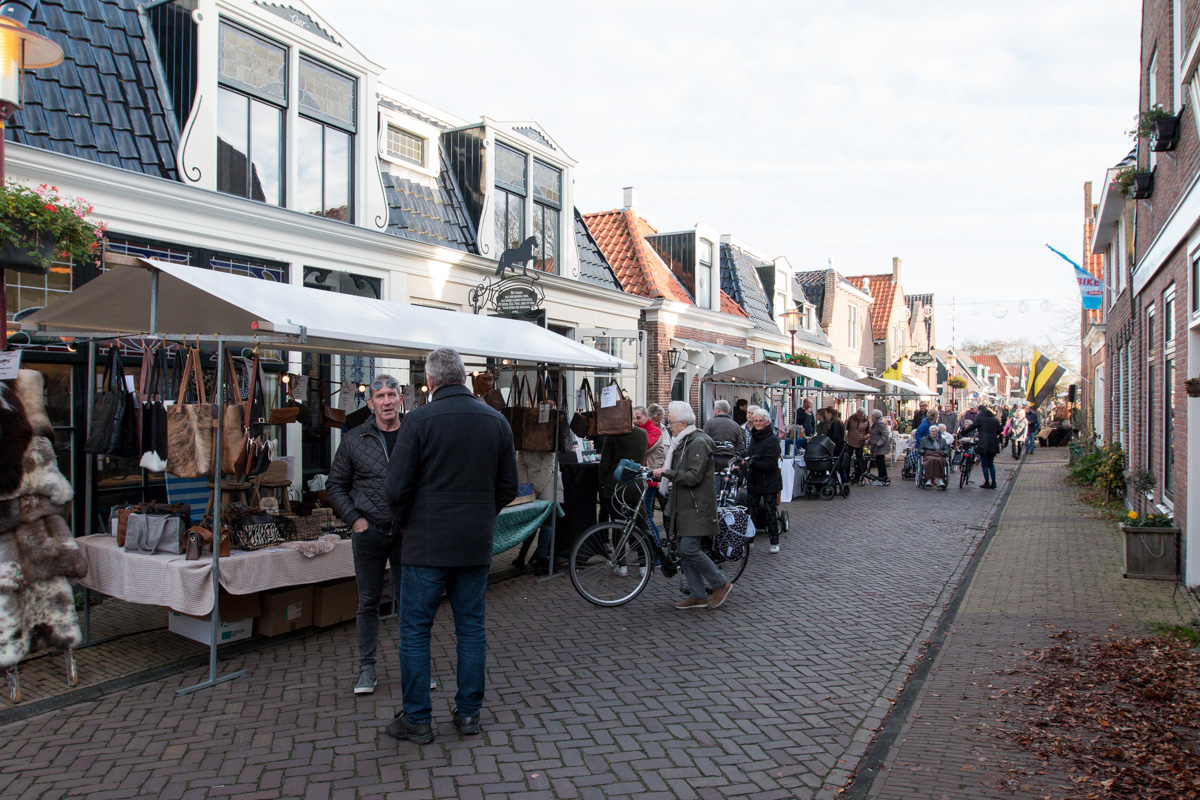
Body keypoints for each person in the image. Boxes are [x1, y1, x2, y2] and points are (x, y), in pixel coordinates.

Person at [383, 348, 519, 744]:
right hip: (474, 544)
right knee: (471, 629)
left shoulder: (418, 420)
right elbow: (508, 486)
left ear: (430, 381)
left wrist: (409, 522)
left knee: (415, 632)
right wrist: (481, 514)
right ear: (463, 377)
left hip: (426, 545)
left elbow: (395, 488)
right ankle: (469, 714)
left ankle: (417, 719)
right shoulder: (496, 421)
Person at [327, 375, 406, 697]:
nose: (387, 401)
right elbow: (335, 485)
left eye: (391, 394)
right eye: (380, 396)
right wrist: (355, 519)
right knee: (369, 602)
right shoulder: (354, 439)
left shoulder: (416, 434)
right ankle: (367, 667)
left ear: (401, 399)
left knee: (411, 602)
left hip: (407, 533)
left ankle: (414, 666)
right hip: (369, 532)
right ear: (370, 403)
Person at [653, 401, 732, 611]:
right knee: (683, 549)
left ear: (683, 423)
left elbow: (694, 476)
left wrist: (668, 473)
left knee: (688, 548)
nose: (668, 426)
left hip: (696, 506)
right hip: (685, 505)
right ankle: (697, 595)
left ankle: (720, 583)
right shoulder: (682, 441)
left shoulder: (697, 442)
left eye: (671, 422)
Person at [743, 408, 783, 553]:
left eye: (761, 421)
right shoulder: (754, 437)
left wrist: (753, 463)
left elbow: (771, 464)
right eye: (756, 421)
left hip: (769, 482)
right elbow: (750, 455)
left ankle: (774, 542)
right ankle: (750, 540)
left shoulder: (772, 440)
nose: (758, 423)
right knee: (751, 512)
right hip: (754, 480)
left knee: (770, 512)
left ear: (767, 423)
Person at [598, 417, 648, 524]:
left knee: (617, 523)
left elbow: (604, 463)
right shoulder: (643, 434)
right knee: (636, 524)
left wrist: (602, 482)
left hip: (615, 486)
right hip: (636, 485)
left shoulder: (613, 435)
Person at [959, 403, 1002, 489]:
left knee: (984, 464)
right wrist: (994, 434)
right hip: (993, 443)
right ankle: (994, 482)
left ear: (980, 411)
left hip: (983, 443)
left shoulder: (980, 419)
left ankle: (987, 482)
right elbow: (1001, 430)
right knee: (991, 464)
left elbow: (971, 427)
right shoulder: (994, 419)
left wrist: (963, 432)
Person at [703, 399, 746, 477]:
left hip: (713, 460)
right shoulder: (736, 425)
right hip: (730, 460)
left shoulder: (709, 423)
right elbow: (740, 445)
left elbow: (703, 442)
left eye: (714, 409)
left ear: (717, 410)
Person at [845, 406, 870, 481]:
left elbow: (869, 432)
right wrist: (845, 423)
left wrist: (864, 437)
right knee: (847, 460)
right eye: (858, 413)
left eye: (860, 414)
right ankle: (846, 477)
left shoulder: (866, 421)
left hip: (859, 443)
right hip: (850, 442)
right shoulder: (851, 418)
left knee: (858, 460)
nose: (858, 415)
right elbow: (846, 427)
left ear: (863, 414)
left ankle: (857, 477)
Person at [868, 409, 891, 485]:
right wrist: (869, 441)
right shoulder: (876, 423)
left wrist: (880, 442)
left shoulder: (880, 423)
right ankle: (882, 477)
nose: (871, 417)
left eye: (872, 416)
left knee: (880, 462)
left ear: (875, 416)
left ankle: (882, 478)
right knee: (880, 462)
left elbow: (885, 433)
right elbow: (874, 434)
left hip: (880, 447)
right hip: (877, 446)